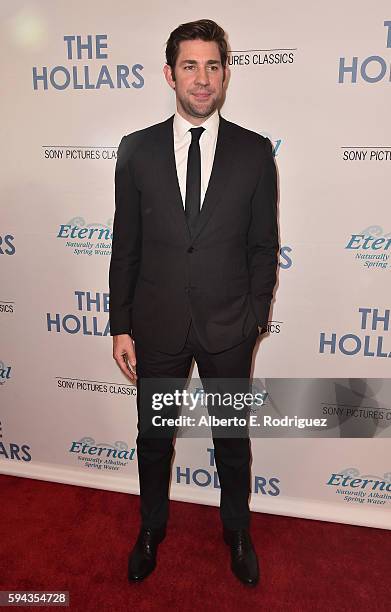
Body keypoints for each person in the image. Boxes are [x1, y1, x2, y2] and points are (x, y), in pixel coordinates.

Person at [109, 18, 279, 587]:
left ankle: (236, 531)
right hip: (155, 326)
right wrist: (120, 325)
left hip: (229, 326)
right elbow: (125, 244)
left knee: (233, 441)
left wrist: (254, 316)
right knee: (154, 440)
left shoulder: (255, 153)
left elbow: (263, 246)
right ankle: (151, 529)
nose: (201, 78)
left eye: (212, 66)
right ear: (169, 73)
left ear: (226, 74)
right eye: (190, 66)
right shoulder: (135, 151)